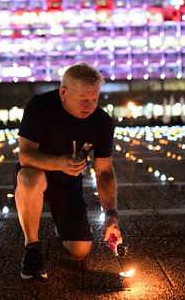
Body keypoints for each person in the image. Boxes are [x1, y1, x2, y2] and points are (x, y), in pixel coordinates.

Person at [14, 63, 122, 280]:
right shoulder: (40, 106)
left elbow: (104, 171)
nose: (90, 106)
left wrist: (111, 214)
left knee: (80, 250)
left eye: (95, 99)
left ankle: (61, 223)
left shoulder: (101, 121)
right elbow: (25, 155)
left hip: (68, 183)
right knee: (29, 178)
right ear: (63, 93)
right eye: (83, 100)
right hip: (37, 173)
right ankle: (32, 247)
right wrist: (58, 162)